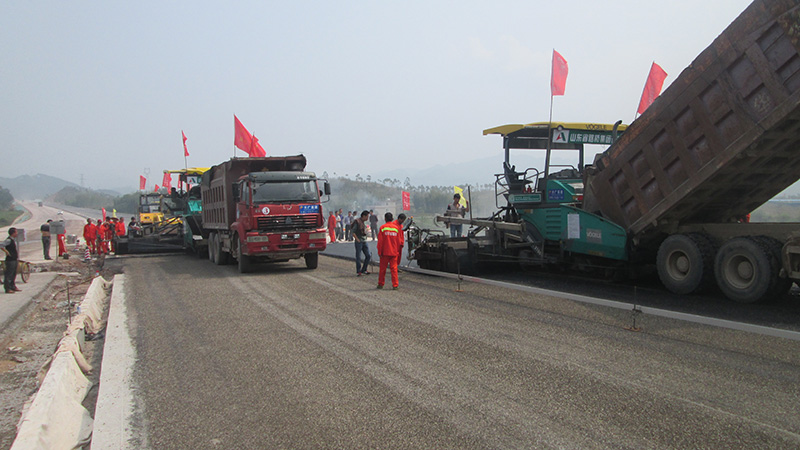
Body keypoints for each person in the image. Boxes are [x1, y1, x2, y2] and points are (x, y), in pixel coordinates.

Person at [377, 212, 402, 290]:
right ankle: (395, 285)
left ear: (385, 219)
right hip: (394, 252)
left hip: (385, 252)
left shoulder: (382, 228)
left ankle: (381, 284)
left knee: (382, 269)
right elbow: (398, 241)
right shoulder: (396, 228)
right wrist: (397, 251)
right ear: (392, 218)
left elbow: (380, 242)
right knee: (394, 269)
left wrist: (379, 252)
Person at [1, 228, 21, 293]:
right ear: (13, 233)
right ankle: (7, 288)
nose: (17, 233)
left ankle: (12, 286)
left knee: (13, 273)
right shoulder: (8, 240)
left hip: (14, 259)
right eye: (16, 232)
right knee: (9, 274)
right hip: (10, 260)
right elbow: (1, 245)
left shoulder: (12, 240)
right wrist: (6, 251)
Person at [353, 210, 372, 276]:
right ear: (363, 216)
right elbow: (353, 232)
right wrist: (357, 239)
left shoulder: (363, 223)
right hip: (359, 241)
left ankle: (364, 269)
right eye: (367, 216)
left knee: (368, 255)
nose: (367, 218)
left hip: (364, 241)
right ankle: (358, 271)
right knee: (358, 256)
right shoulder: (357, 222)